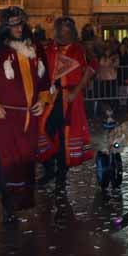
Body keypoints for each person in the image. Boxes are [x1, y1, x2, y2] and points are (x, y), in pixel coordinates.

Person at [0, 7, 51, 221]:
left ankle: (19, 201)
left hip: (30, 116)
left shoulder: (34, 47)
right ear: (5, 27)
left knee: (26, 160)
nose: (18, 28)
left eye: (20, 24)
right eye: (13, 25)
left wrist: (43, 100)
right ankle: (7, 203)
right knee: (7, 160)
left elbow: (45, 79)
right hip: (7, 115)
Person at [39, 17, 97, 184]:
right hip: (51, 98)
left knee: (66, 135)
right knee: (44, 130)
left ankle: (61, 175)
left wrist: (76, 91)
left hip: (70, 99)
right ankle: (49, 168)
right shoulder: (49, 48)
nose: (64, 33)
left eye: (67, 29)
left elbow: (91, 68)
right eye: (61, 29)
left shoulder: (80, 50)